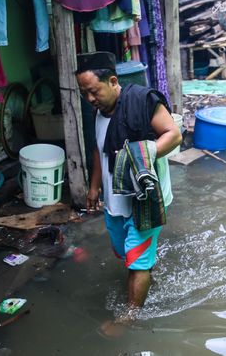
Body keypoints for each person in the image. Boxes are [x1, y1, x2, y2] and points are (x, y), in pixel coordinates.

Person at [75, 51, 181, 335]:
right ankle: (145, 274)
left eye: (94, 91)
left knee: (136, 262)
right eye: (84, 93)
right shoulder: (99, 113)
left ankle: (130, 316)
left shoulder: (143, 102)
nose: (90, 99)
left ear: (112, 81)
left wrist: (141, 154)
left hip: (144, 199)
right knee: (126, 253)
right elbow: (100, 150)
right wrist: (94, 186)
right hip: (115, 200)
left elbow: (174, 134)